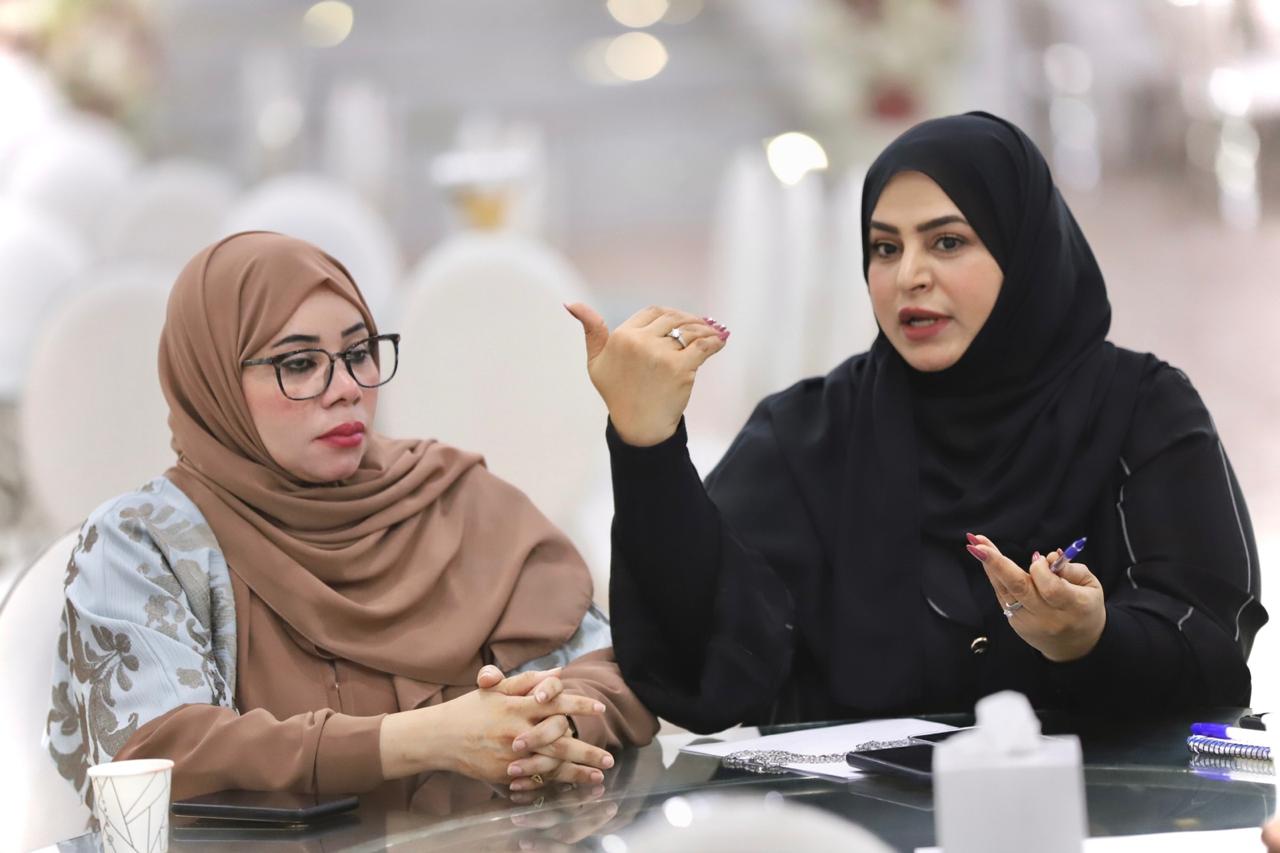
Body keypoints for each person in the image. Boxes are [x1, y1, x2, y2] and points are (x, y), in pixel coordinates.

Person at [567, 111, 1266, 733]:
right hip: (849, 822)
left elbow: (1213, 654)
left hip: (1107, 817)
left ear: (1023, 250)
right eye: (885, 248)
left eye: (948, 242)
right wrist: (647, 446)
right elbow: (701, 669)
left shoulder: (1140, 411)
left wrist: (1092, 638)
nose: (909, 276)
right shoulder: (807, 434)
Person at [47, 231, 656, 807]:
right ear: (214, 382)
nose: (346, 388)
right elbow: (161, 752)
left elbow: (616, 667)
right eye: (299, 364)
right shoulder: (146, 543)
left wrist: (552, 729)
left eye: (359, 353)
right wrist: (424, 739)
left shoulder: (450, 497)